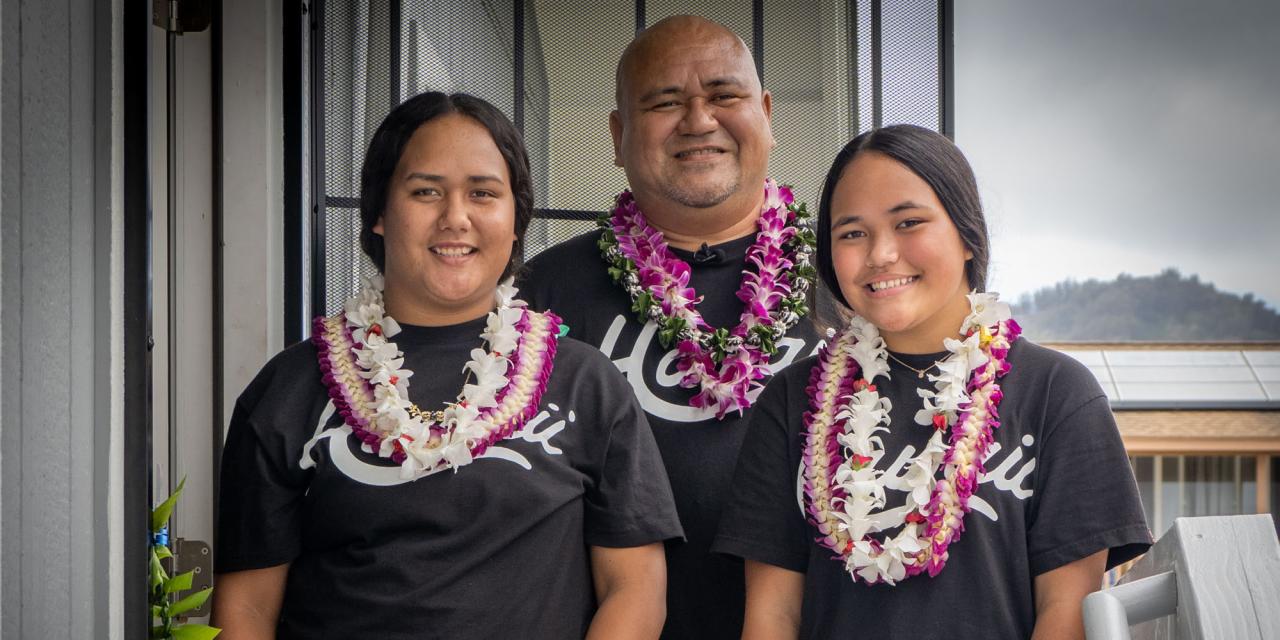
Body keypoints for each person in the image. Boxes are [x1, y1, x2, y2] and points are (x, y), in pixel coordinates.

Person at [210, 91, 682, 639]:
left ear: (514, 219)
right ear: (381, 213)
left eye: (483, 193)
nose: (455, 218)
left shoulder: (585, 383)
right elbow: (245, 608)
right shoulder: (292, 387)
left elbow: (637, 589)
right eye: (426, 191)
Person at [712, 124, 1152, 638]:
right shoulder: (795, 402)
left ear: (967, 236)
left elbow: (1067, 610)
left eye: (908, 223)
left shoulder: (1057, 394)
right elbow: (773, 615)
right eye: (852, 233)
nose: (880, 254)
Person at [519, 15, 823, 639]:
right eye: (664, 102)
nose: (698, 120)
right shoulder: (539, 296)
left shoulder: (847, 283)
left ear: (765, 111)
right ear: (619, 133)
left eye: (724, 95)